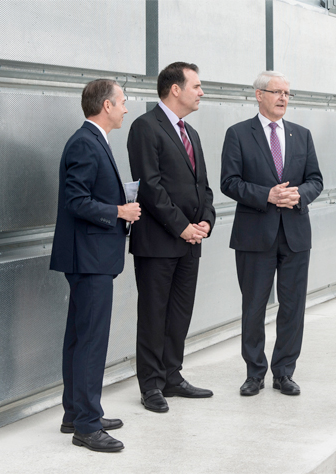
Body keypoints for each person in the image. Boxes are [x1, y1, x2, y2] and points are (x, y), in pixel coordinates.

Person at [50, 79, 141, 452]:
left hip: (90, 256)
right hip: (89, 259)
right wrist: (119, 211)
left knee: (78, 337)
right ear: (105, 105)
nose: (125, 108)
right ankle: (86, 425)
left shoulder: (92, 140)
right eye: (122, 101)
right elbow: (76, 200)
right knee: (91, 341)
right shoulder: (86, 142)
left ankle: (76, 412)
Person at [220, 71, 323, 397]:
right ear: (258, 95)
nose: (283, 98)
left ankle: (284, 373)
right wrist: (266, 194)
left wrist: (300, 195)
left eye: (287, 93)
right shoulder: (238, 134)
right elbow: (229, 182)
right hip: (255, 234)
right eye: (276, 92)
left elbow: (315, 180)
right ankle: (254, 373)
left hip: (294, 234)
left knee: (293, 307)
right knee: (254, 307)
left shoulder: (301, 135)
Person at [128, 62, 216, 413]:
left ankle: (172, 376)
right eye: (196, 85)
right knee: (154, 313)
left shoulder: (190, 133)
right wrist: (182, 226)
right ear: (175, 89)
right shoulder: (145, 128)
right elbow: (150, 186)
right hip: (158, 241)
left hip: (190, 242)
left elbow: (203, 186)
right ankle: (150, 384)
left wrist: (206, 221)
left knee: (180, 312)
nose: (201, 92)